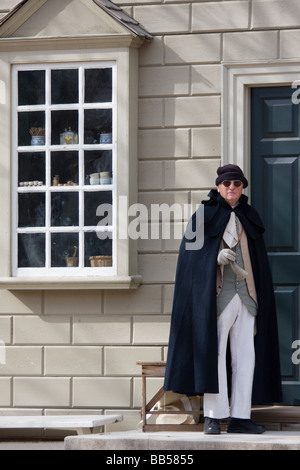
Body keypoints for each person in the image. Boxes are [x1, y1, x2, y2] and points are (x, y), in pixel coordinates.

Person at [164, 164, 282, 434]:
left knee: (246, 357)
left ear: (242, 188)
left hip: (247, 296)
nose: (232, 187)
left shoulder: (250, 216)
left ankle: (240, 417)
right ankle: (214, 417)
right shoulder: (202, 215)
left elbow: (259, 262)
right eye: (227, 183)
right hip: (216, 297)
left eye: (237, 184)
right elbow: (189, 258)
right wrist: (213, 259)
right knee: (214, 356)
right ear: (218, 186)